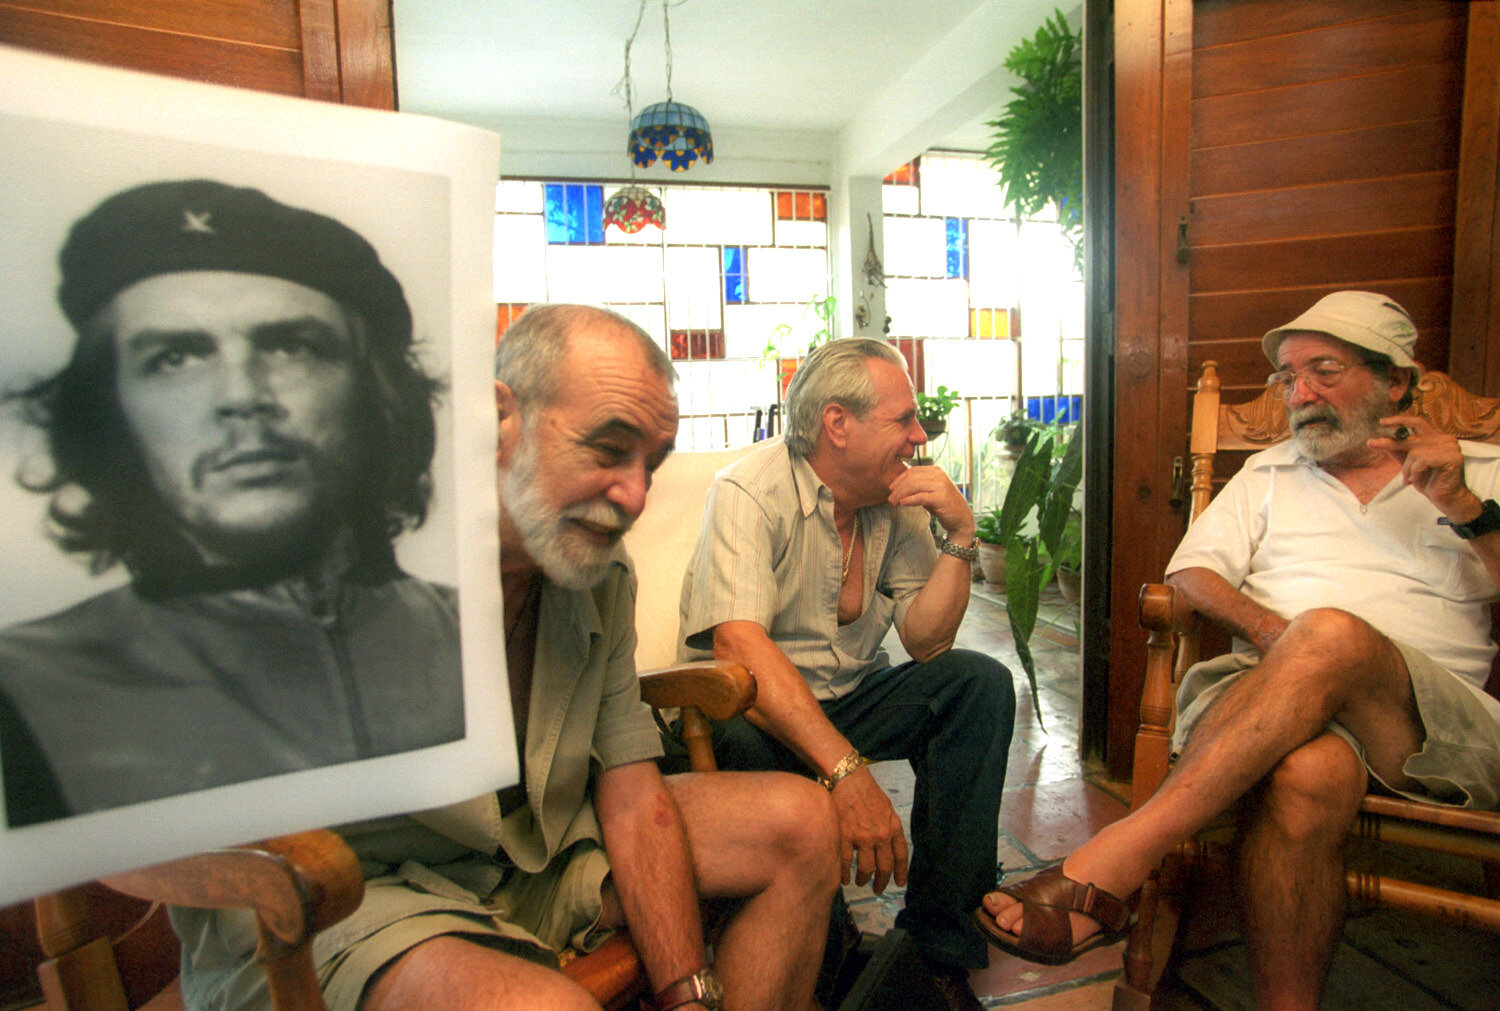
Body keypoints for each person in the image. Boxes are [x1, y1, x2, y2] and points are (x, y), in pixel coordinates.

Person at [173, 303, 842, 1011]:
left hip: (538, 855)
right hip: (349, 900)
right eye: (608, 448)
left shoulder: (601, 577)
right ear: (499, 419)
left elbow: (632, 789)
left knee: (802, 823)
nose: (636, 494)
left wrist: (687, 993)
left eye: (652, 462)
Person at [975, 291, 1500, 1006]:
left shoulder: (1478, 469)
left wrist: (1465, 507)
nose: (1298, 394)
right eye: (1288, 377)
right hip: (1277, 695)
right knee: (1307, 774)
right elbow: (1190, 573)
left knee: (1334, 630)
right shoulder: (1270, 472)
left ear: (1395, 381)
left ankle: (1120, 857)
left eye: (1323, 370)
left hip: (1430, 726)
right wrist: (1276, 634)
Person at [0, 179, 461, 826]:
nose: (241, 395)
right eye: (176, 356)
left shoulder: (468, 635)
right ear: (112, 410)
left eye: (290, 344)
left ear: (375, 394)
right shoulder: (26, 685)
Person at [678, 337, 1016, 1011]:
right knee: (739, 742)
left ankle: (937, 947)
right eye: (904, 419)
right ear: (837, 423)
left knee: (977, 685)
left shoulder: (894, 498)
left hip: (851, 695)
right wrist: (846, 770)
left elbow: (926, 641)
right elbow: (738, 644)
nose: (921, 434)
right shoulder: (749, 491)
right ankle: (822, 947)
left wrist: (959, 533)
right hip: (747, 708)